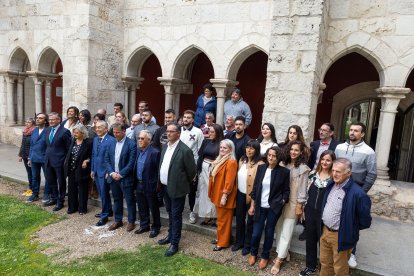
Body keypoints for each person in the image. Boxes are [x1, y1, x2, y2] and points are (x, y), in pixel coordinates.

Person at [334, 122, 377, 268]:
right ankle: (336, 247)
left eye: (356, 131)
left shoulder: (369, 151)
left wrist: (360, 193)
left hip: (355, 189)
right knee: (335, 219)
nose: (352, 132)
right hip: (337, 188)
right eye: (351, 130)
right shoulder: (339, 147)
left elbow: (372, 174)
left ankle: (352, 252)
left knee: (352, 222)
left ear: (362, 134)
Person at [320, 158, 372, 276]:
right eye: (333, 170)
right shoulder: (331, 184)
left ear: (348, 173)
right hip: (325, 231)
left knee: (340, 269)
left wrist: (350, 228)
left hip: (341, 235)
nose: (334, 174)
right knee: (325, 263)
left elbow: (365, 221)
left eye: (338, 171)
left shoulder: (358, 194)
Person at [247, 146, 290, 270]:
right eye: (269, 155)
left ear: (278, 158)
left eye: (274, 156)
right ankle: (253, 253)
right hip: (260, 206)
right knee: (256, 233)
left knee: (269, 233)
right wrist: (252, 205)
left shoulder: (284, 172)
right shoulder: (261, 168)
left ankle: (265, 256)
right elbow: (255, 188)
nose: (271, 158)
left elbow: (286, 191)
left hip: (273, 208)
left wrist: (281, 201)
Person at [158, 123, 197, 257]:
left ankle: (175, 243)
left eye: (171, 131)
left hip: (177, 188)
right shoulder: (165, 147)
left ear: (178, 134)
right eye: (167, 131)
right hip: (165, 186)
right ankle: (170, 235)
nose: (168, 133)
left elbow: (192, 171)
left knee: (176, 215)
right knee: (169, 212)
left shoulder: (185, 150)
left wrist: (180, 181)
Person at [272, 140, 310, 275]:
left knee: (287, 232)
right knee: (279, 228)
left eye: (296, 150)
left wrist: (300, 205)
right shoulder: (282, 164)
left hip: (294, 203)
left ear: (300, 153)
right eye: (291, 149)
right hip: (280, 202)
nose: (293, 152)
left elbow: (303, 190)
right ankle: (284, 252)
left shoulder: (303, 169)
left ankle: (278, 260)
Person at [299, 150, 336, 276]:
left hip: (324, 214)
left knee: (324, 242)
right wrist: (303, 208)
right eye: (323, 159)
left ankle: (324, 268)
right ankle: (310, 266)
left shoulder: (334, 178)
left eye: (328, 160)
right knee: (310, 239)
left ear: (332, 162)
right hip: (310, 211)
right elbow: (305, 192)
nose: (325, 162)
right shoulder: (313, 174)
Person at [232, 139, 264, 256]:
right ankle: (239, 242)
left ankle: (247, 245)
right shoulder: (242, 160)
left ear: (256, 150)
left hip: (252, 196)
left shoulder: (260, 164)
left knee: (250, 221)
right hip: (240, 193)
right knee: (239, 219)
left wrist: (253, 202)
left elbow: (258, 184)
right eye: (247, 147)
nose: (248, 150)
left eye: (251, 148)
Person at [104, 123, 137, 232]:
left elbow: (131, 162)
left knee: (129, 200)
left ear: (124, 131)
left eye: (118, 132)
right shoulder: (111, 142)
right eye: (114, 132)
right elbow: (107, 159)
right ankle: (118, 220)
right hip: (113, 177)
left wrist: (121, 174)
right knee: (117, 199)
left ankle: (131, 221)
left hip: (125, 177)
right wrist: (112, 173)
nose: (115, 134)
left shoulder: (131, 144)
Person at [208, 139, 238, 251]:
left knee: (223, 221)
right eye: (221, 147)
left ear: (230, 150)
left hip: (224, 197)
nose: (222, 149)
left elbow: (229, 182)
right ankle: (219, 238)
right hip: (218, 195)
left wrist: (224, 195)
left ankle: (222, 243)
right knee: (220, 220)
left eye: (225, 148)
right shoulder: (220, 160)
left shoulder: (231, 162)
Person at [194, 124, 223, 226]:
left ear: (218, 133)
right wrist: (198, 170)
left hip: (214, 170)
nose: (209, 134)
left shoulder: (221, 144)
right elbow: (200, 155)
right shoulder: (206, 141)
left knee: (213, 193)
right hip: (204, 168)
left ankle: (215, 217)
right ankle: (207, 216)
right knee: (204, 193)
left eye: (212, 132)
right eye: (209, 131)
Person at [134, 130, 161, 238]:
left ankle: (156, 227)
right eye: (139, 138)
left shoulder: (155, 152)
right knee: (141, 206)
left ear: (149, 140)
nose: (139, 140)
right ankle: (144, 225)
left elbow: (157, 170)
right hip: (139, 183)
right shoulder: (138, 151)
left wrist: (156, 185)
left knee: (153, 207)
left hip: (150, 184)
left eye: (142, 138)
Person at [179, 110, 204, 224]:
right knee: (180, 189)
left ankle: (192, 212)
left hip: (191, 165)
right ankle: (178, 211)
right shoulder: (178, 130)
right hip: (179, 165)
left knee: (192, 191)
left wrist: (197, 167)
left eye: (188, 117)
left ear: (193, 119)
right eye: (184, 117)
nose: (186, 119)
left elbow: (201, 150)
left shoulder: (198, 132)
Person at [44, 112, 72, 211]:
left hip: (60, 162)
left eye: (53, 119)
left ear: (59, 120)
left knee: (61, 182)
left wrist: (65, 161)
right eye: (49, 119)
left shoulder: (65, 132)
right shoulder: (47, 130)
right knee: (51, 181)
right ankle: (54, 198)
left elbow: (69, 149)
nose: (50, 121)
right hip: (48, 161)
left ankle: (60, 201)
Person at [91, 120, 115, 227]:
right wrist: (92, 169)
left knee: (104, 194)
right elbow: (93, 155)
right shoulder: (95, 139)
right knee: (102, 193)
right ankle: (108, 210)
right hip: (96, 171)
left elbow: (112, 158)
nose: (97, 129)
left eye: (100, 127)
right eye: (96, 127)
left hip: (105, 172)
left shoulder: (111, 140)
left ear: (106, 129)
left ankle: (104, 216)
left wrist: (108, 172)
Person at [64, 124, 92, 215]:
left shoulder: (88, 142)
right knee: (72, 189)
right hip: (72, 169)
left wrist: (87, 160)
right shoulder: (73, 141)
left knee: (82, 190)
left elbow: (92, 156)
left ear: (83, 133)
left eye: (77, 132)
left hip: (82, 170)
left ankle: (82, 209)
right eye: (74, 132)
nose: (74, 134)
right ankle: (72, 207)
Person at [27, 113, 50, 203]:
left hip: (45, 158)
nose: (37, 119)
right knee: (35, 177)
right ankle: (35, 194)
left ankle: (47, 194)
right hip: (34, 157)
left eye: (40, 118)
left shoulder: (48, 131)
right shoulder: (34, 131)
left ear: (45, 121)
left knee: (47, 177)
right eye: (37, 118)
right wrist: (29, 157)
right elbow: (32, 145)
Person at [19, 117, 36, 197]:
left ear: (32, 123)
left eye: (29, 122)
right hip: (25, 155)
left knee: (34, 174)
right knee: (29, 173)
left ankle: (34, 190)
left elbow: (33, 145)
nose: (27, 123)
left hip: (31, 156)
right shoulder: (25, 131)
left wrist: (30, 158)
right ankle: (30, 189)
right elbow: (22, 143)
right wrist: (20, 155)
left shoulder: (34, 131)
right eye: (26, 122)